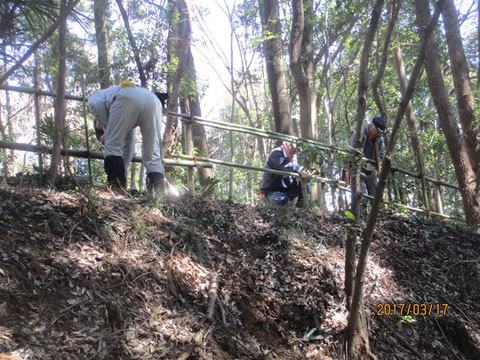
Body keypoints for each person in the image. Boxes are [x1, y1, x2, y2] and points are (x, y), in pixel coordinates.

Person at [88, 81, 165, 194]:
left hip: (127, 97)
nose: (101, 129)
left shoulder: (95, 99)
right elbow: (128, 148)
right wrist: (122, 169)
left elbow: (112, 139)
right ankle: (158, 195)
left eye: (99, 130)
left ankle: (116, 189)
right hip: (153, 100)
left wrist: (107, 134)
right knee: (153, 152)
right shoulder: (121, 113)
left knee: (112, 145)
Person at [349, 116, 386, 202]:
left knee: (375, 198)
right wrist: (364, 164)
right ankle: (360, 214)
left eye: (380, 132)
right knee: (362, 197)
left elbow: (381, 155)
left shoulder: (379, 139)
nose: (378, 134)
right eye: (376, 131)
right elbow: (352, 153)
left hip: (372, 171)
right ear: (371, 125)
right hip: (358, 169)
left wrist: (378, 163)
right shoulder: (358, 135)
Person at [260, 141, 309, 206]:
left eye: (295, 150)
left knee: (306, 185)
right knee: (282, 199)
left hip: (286, 190)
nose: (294, 152)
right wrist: (299, 168)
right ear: (285, 144)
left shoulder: (293, 158)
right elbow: (284, 166)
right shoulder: (276, 153)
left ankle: (301, 211)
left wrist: (300, 176)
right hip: (271, 191)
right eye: (292, 149)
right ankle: (269, 206)